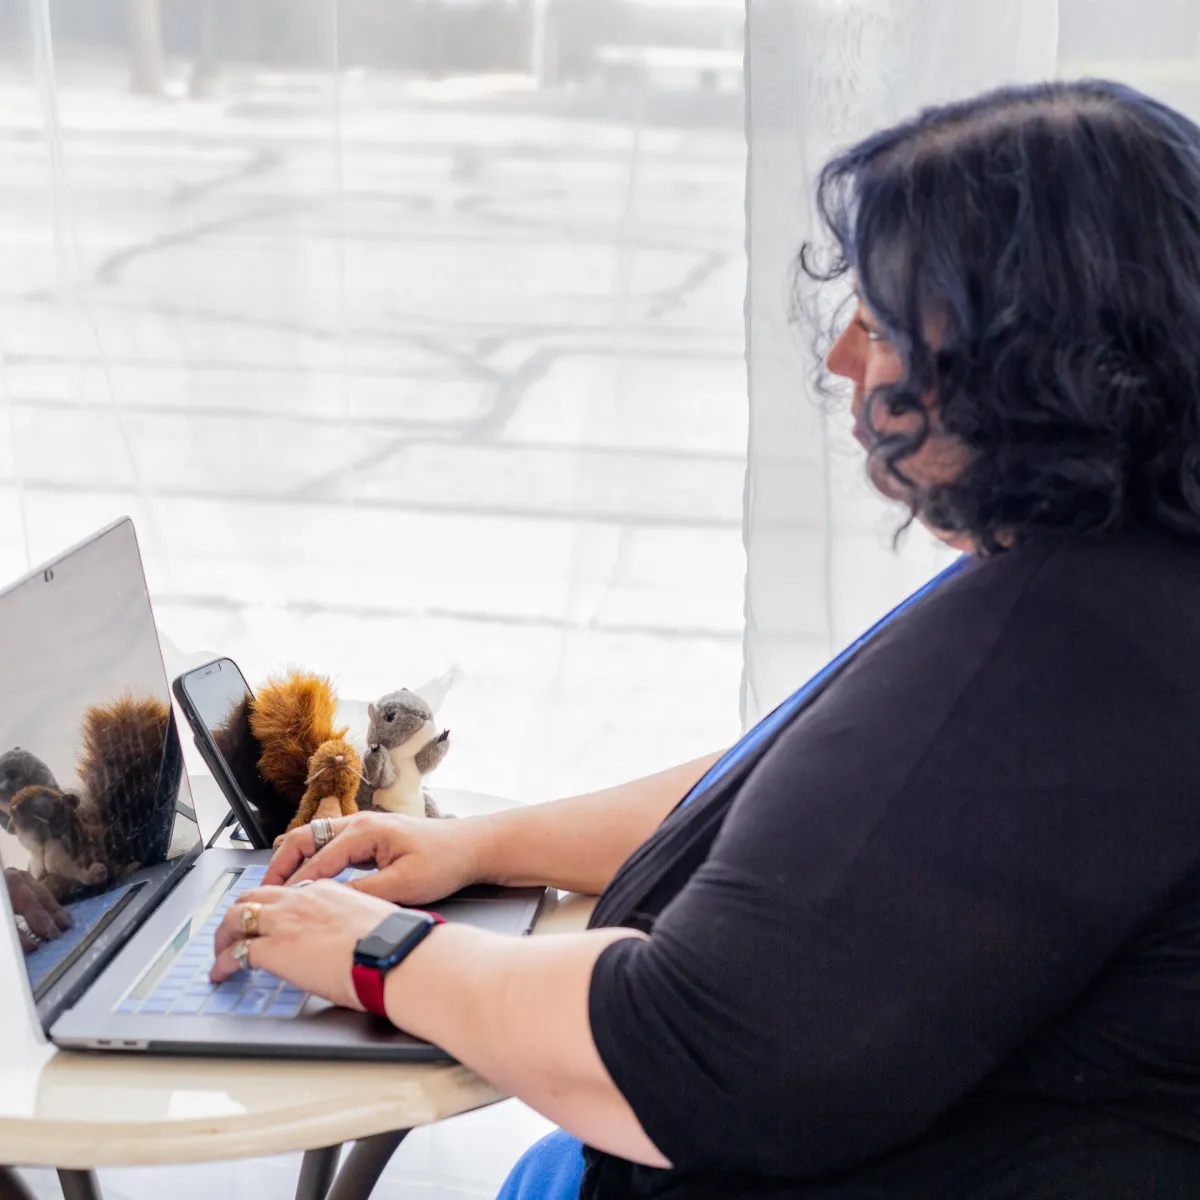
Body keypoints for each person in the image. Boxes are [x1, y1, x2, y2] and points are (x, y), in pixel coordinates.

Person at [211, 78, 1200, 1198]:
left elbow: (681, 1058)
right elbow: (813, 802)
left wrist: (374, 953)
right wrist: (484, 846)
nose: (842, 359)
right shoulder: (1126, 574)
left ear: (1022, 362)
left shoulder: (1069, 656)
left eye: (880, 324)